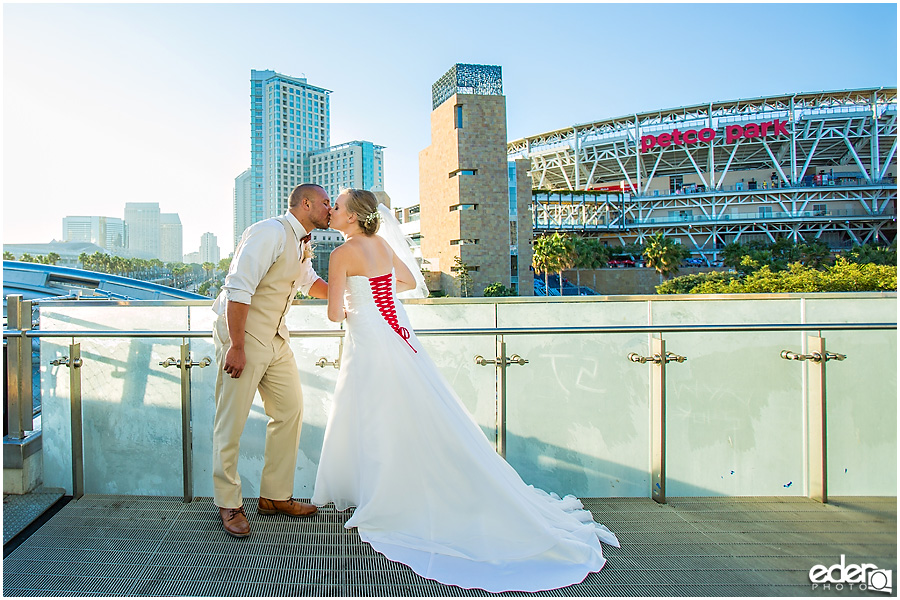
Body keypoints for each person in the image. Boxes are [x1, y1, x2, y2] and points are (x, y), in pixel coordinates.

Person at [311, 189, 619, 592]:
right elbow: (404, 280)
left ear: (352, 218)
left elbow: (334, 312)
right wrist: (373, 299)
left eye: (337, 205)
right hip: (396, 336)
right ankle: (391, 491)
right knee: (407, 412)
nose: (331, 210)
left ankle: (381, 494)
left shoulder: (340, 255)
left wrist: (354, 303)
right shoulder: (382, 244)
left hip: (369, 341)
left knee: (374, 415)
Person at [211, 183, 332, 538]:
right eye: (326, 203)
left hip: (276, 337)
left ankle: (275, 496)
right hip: (244, 336)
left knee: (290, 410)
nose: (330, 209)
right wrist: (236, 345)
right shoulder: (268, 232)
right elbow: (238, 287)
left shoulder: (301, 242)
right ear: (306, 204)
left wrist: (360, 292)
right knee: (230, 422)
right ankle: (229, 502)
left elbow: (310, 284)